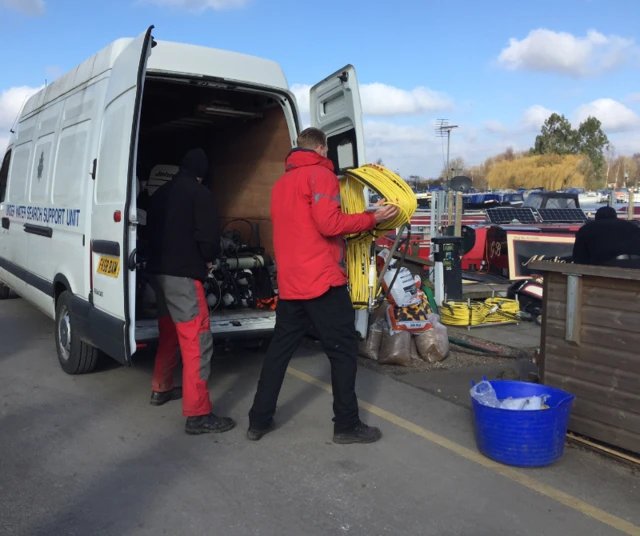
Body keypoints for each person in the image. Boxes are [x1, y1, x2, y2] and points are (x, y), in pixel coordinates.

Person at [247, 128, 398, 444]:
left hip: (290, 284)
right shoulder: (320, 175)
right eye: (327, 151)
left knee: (279, 352)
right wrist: (373, 218)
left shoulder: (280, 185)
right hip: (321, 281)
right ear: (320, 148)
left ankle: (258, 420)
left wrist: (360, 215)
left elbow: (306, 223)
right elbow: (329, 224)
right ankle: (346, 424)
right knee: (343, 352)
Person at [146, 148, 236, 435]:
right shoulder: (200, 194)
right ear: (202, 174)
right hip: (183, 277)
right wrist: (208, 258)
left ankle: (161, 388)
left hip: (157, 274)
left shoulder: (159, 195)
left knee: (170, 331)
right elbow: (209, 238)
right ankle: (198, 414)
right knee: (197, 340)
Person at [573, 206, 640, 266]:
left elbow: (579, 256)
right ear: (615, 215)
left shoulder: (587, 228)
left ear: (596, 217)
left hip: (608, 266)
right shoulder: (632, 226)